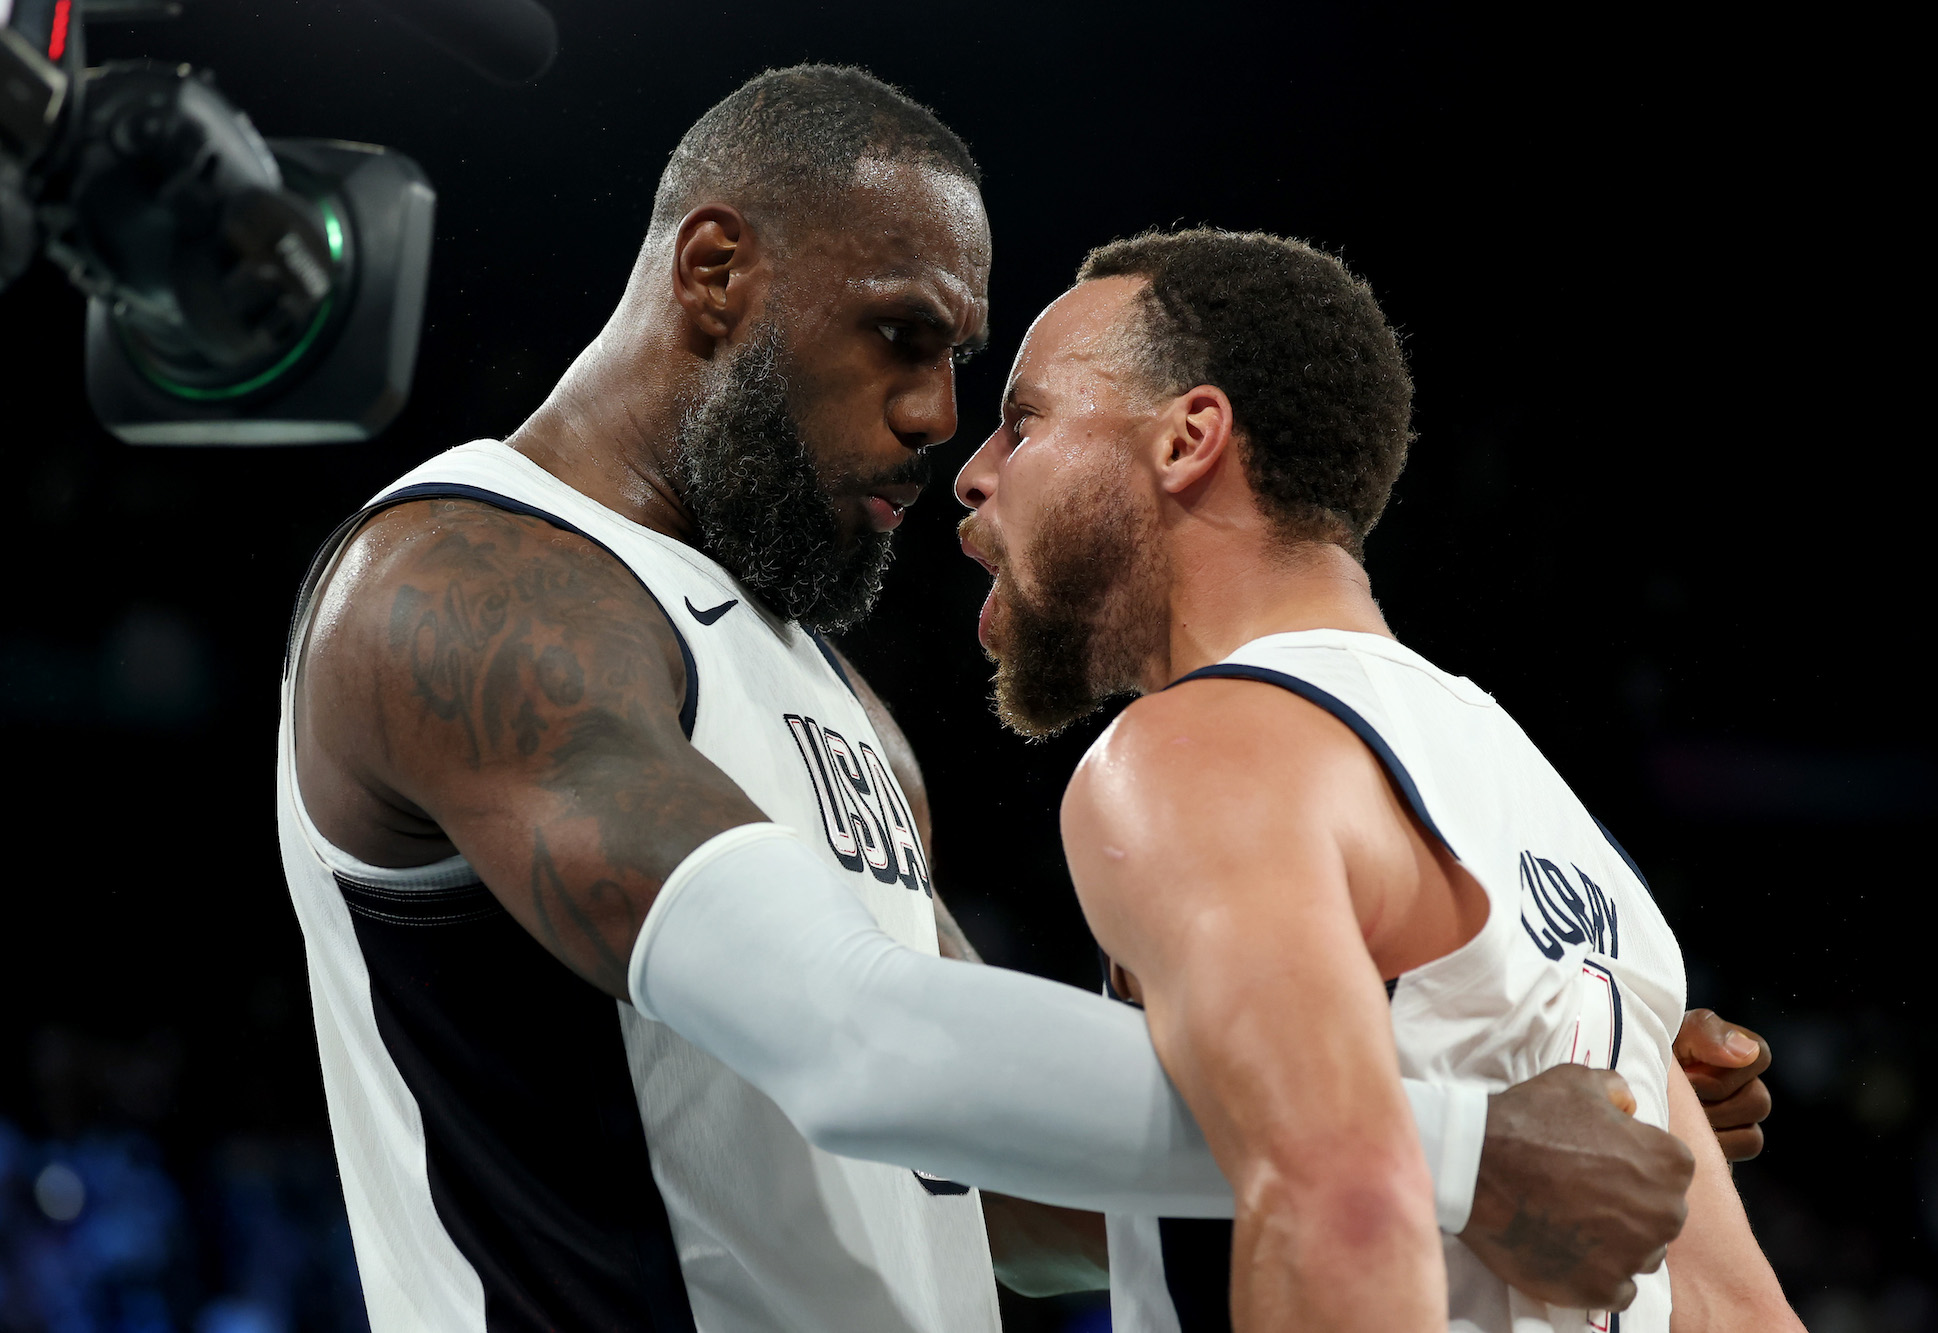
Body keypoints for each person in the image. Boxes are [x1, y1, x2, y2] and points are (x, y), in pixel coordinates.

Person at [282, 66, 1766, 1331]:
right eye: (901, 335)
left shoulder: (834, 697)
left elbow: (982, 1177)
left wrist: (1549, 1086)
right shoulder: (462, 586)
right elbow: (860, 1041)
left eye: (972, 369)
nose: (937, 421)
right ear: (717, 270)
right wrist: (1461, 1142)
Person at [952, 228, 1801, 1332]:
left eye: (1024, 422)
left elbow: (1337, 1209)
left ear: (1185, 440)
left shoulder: (1197, 748)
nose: (973, 471)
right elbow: (1736, 1314)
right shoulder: (1542, 807)